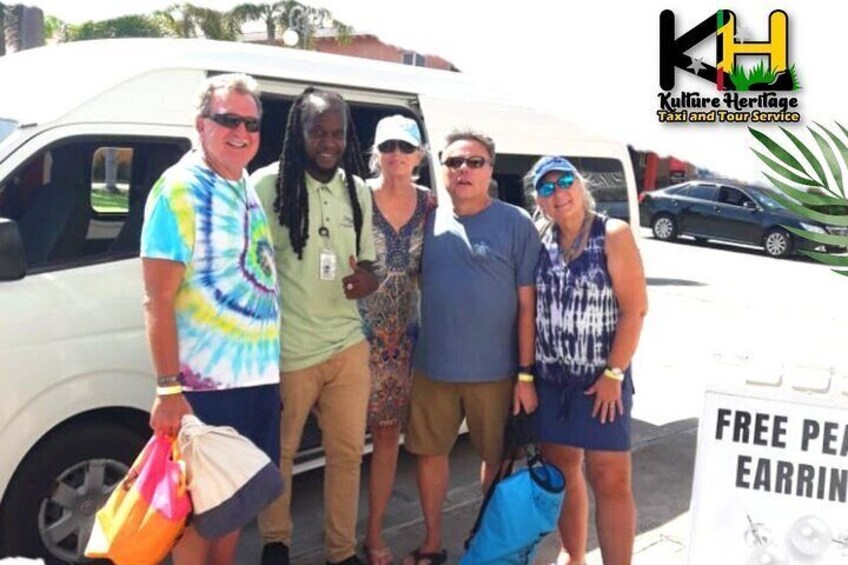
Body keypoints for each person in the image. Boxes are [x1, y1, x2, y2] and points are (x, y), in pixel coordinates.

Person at [141, 73, 281, 565]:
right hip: (205, 391)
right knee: (197, 515)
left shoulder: (241, 181)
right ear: (202, 125)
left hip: (256, 382)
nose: (241, 131)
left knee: (234, 504)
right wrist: (167, 390)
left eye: (251, 122)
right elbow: (157, 298)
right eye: (228, 120)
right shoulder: (179, 189)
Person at [402, 129, 542, 565]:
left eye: (474, 162)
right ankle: (431, 541)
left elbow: (527, 307)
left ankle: (489, 543)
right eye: (454, 162)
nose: (463, 170)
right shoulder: (426, 218)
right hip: (434, 370)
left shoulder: (516, 222)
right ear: (441, 169)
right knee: (429, 455)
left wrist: (525, 374)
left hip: (497, 374)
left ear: (490, 170)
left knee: (497, 461)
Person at [253, 87, 378, 565]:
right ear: (299, 132)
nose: (328, 141)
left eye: (337, 133)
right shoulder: (267, 187)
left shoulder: (357, 189)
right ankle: (275, 542)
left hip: (347, 347)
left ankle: (341, 552)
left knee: (346, 457)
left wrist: (368, 279)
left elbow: (370, 263)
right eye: (318, 131)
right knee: (279, 454)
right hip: (290, 348)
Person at [529, 156, 648, 565]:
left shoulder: (611, 233)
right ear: (539, 200)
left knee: (610, 478)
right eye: (547, 188)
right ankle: (573, 555)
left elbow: (635, 310)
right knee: (563, 472)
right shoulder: (539, 236)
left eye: (565, 182)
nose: (558, 193)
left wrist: (615, 373)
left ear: (580, 185)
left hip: (602, 381)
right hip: (552, 382)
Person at [359, 115, 432, 565]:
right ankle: (333, 535)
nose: (396, 156)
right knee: (344, 443)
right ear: (377, 152)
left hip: (404, 342)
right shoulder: (357, 196)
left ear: (419, 156)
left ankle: (373, 534)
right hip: (353, 335)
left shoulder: (431, 204)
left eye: (405, 148)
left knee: (387, 439)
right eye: (388, 147)